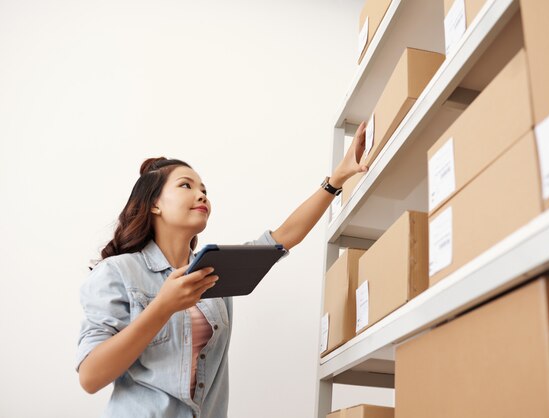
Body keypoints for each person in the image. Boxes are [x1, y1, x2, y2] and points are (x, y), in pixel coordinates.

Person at [76, 122, 368, 417]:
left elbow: (284, 236)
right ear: (154, 205)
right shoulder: (119, 272)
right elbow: (90, 377)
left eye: (204, 190)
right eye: (186, 186)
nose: (201, 195)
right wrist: (162, 307)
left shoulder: (216, 270)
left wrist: (337, 179)